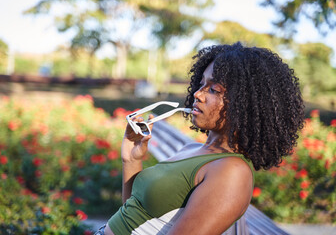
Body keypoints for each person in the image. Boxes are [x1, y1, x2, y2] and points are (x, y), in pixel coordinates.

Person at [95, 42, 304, 235]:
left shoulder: (232, 172)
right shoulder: (191, 148)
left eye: (213, 89)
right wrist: (132, 159)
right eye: (201, 83)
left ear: (245, 105)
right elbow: (135, 213)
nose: (198, 93)